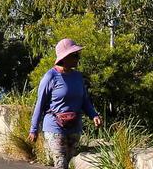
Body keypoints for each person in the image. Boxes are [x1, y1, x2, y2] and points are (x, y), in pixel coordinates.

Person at [29, 38, 101, 169]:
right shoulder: (50, 77)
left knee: (69, 162)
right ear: (64, 57)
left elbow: (84, 100)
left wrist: (94, 115)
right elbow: (40, 103)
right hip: (54, 127)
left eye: (78, 54)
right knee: (61, 163)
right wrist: (34, 129)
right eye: (75, 55)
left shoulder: (78, 76)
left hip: (74, 127)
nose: (78, 58)